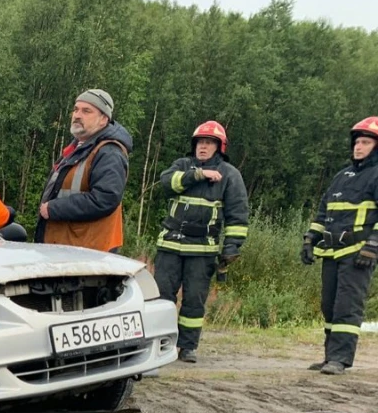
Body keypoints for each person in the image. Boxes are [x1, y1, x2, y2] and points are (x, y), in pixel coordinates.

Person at [153, 121, 249, 364]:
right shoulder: (183, 165)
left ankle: (187, 347)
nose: (203, 146)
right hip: (170, 246)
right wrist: (198, 174)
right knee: (162, 298)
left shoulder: (230, 175)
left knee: (194, 301)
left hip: (202, 250)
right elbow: (166, 183)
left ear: (219, 147)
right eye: (200, 142)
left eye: (208, 142)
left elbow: (238, 215)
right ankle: (162, 345)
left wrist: (232, 247)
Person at [300, 117, 378, 375]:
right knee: (329, 305)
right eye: (357, 142)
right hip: (332, 252)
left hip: (358, 253)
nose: (358, 146)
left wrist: (373, 245)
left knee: (347, 305)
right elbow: (324, 212)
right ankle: (329, 356)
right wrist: (310, 238)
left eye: (365, 142)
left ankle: (341, 359)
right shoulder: (341, 176)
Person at [34, 88, 133, 253]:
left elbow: (105, 199)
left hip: (87, 253)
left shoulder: (109, 152)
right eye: (76, 109)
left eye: (86, 111)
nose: (77, 115)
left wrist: (54, 208)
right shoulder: (77, 149)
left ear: (103, 119)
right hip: (65, 246)